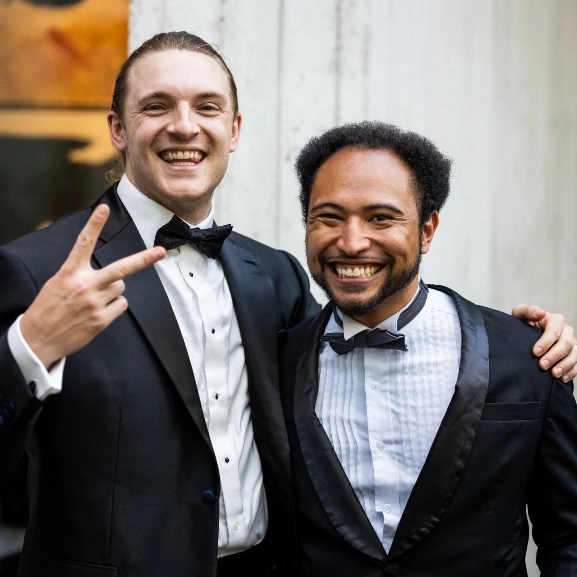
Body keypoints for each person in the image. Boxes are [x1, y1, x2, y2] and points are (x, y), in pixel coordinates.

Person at [0, 32, 574, 577]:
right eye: (156, 106)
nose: (184, 126)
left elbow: (346, 352)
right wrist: (30, 349)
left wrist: (523, 339)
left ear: (234, 128)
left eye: (206, 107)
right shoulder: (36, 269)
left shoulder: (271, 275)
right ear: (118, 129)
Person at [280, 121, 577, 576]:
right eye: (329, 217)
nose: (352, 242)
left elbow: (569, 536)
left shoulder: (528, 356)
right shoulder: (276, 362)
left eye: (381, 217)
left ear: (427, 229)